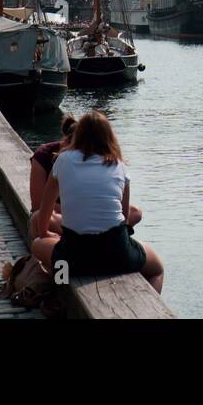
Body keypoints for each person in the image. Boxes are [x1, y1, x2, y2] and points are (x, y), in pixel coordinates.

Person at [31, 110, 163, 293]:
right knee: (157, 269)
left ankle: (59, 291)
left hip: (74, 257)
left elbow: (45, 208)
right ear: (109, 136)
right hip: (117, 253)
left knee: (38, 244)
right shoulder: (120, 165)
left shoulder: (63, 160)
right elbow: (124, 219)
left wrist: (45, 232)